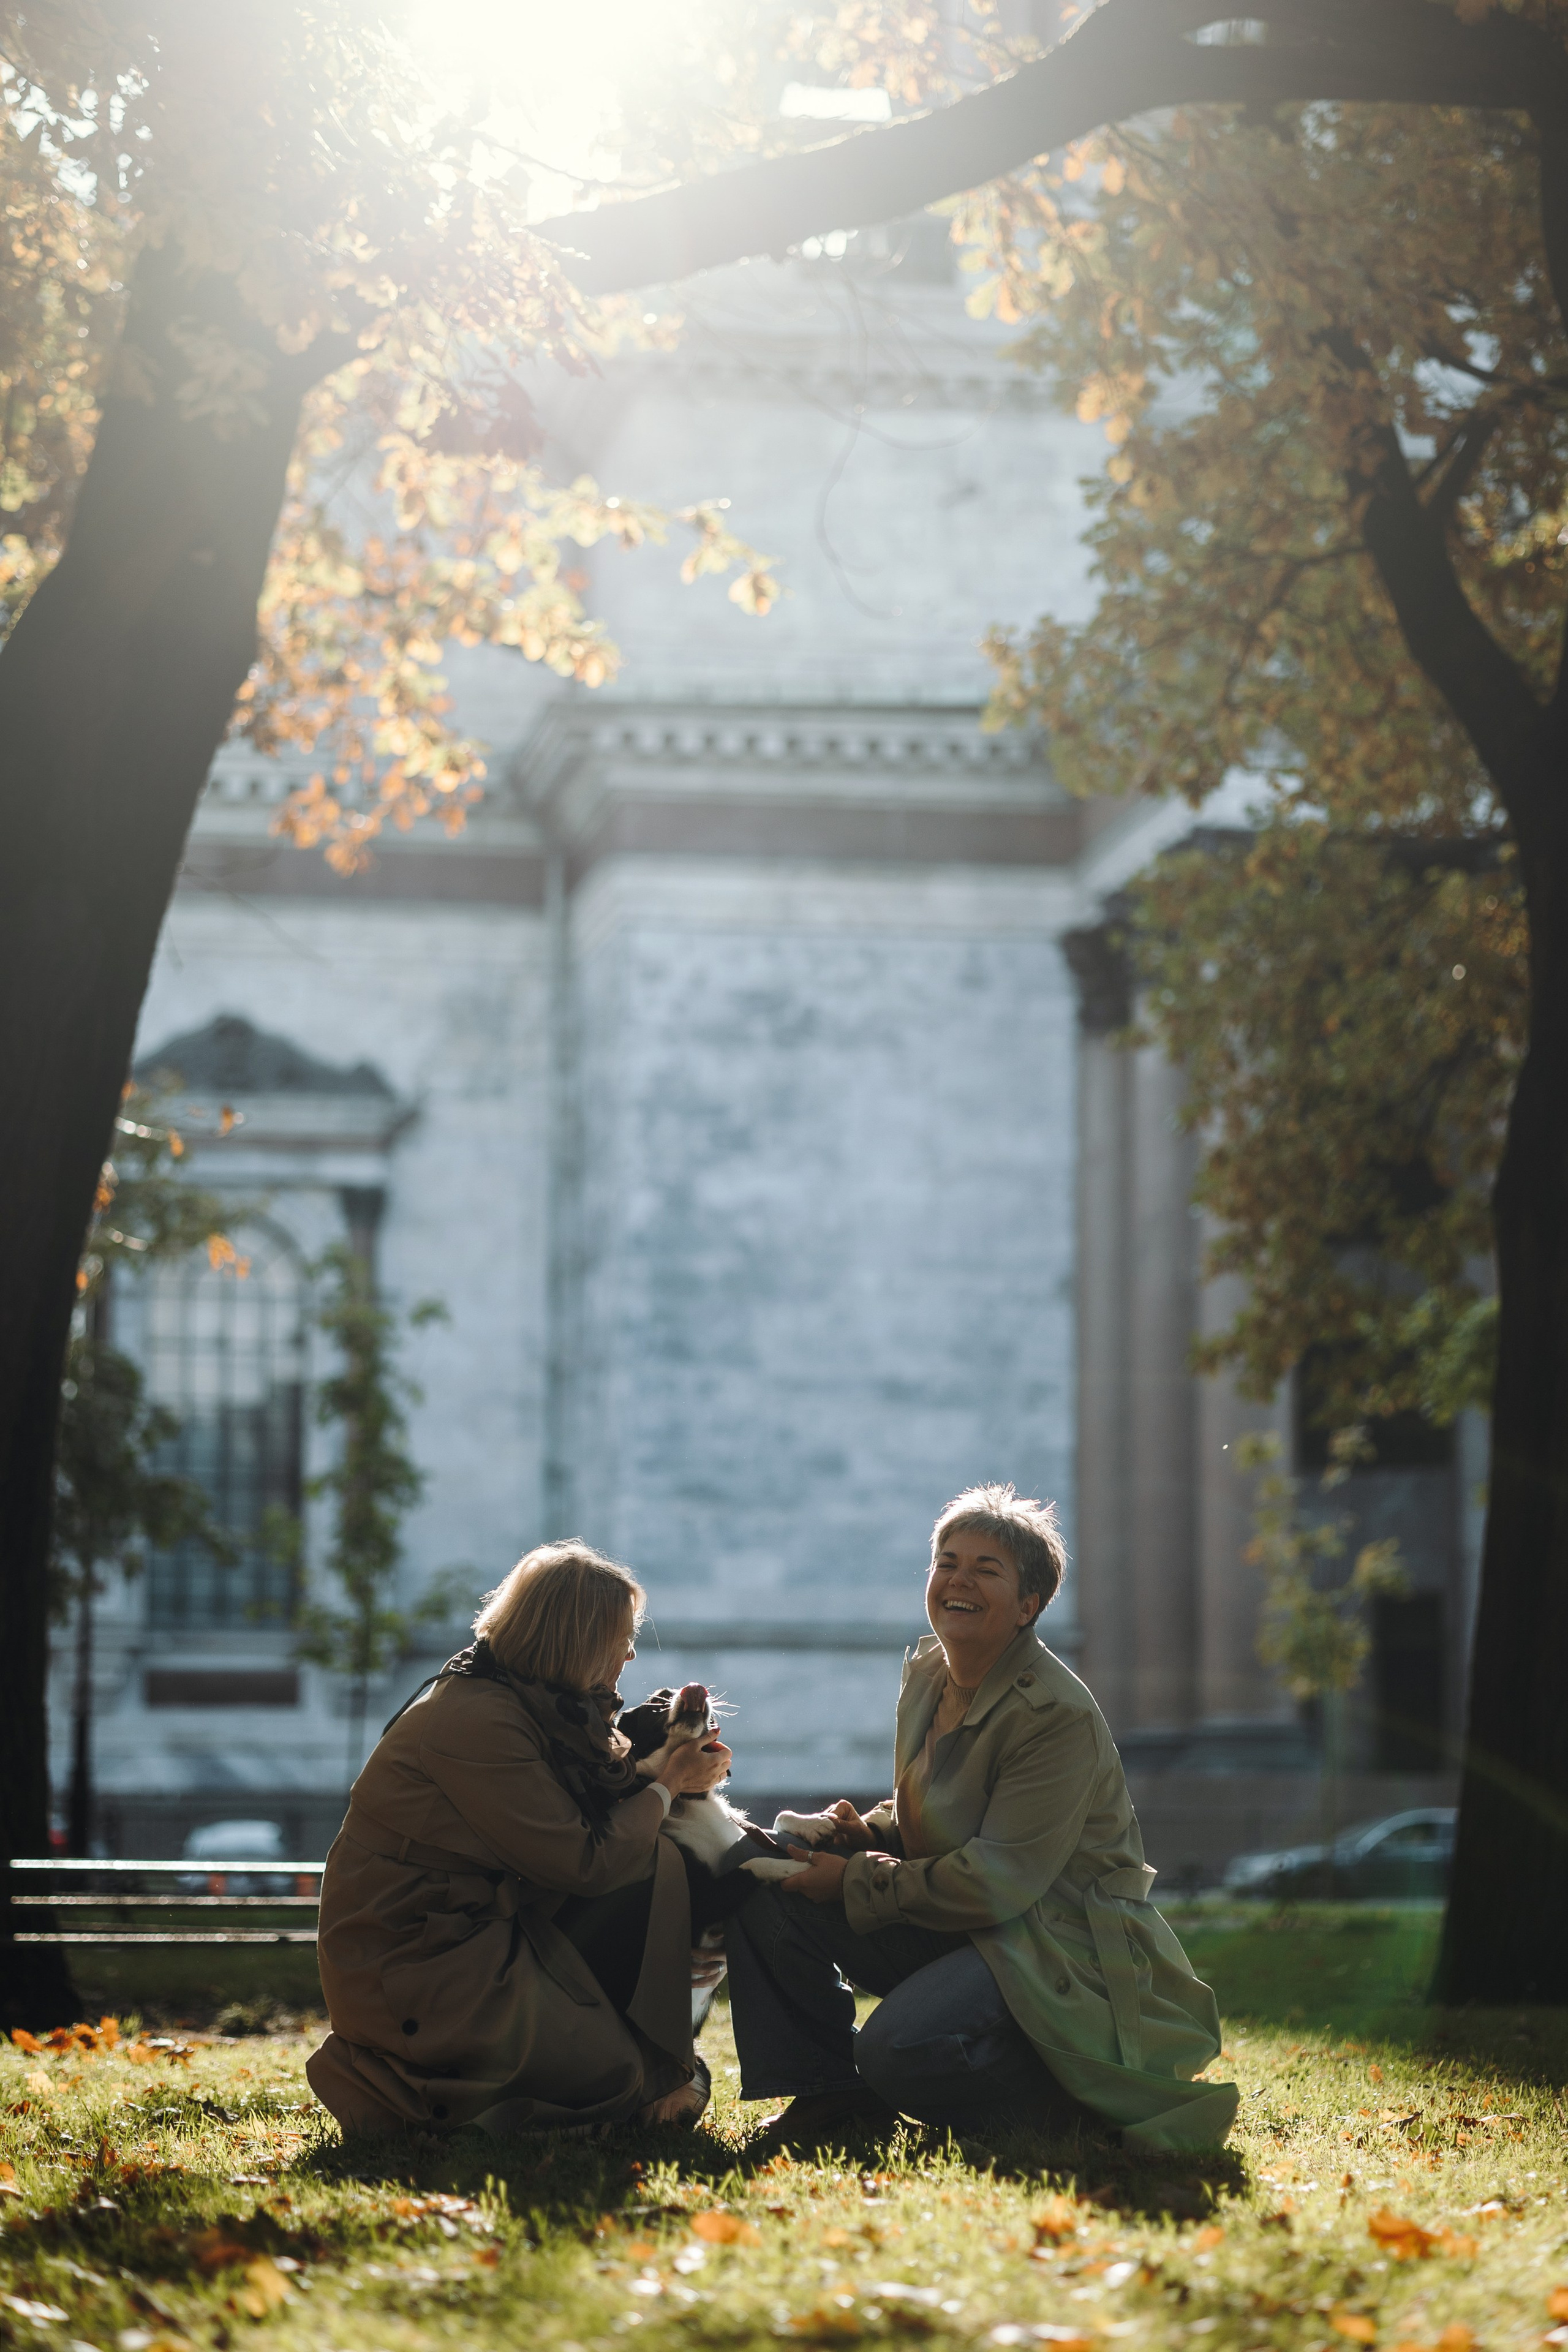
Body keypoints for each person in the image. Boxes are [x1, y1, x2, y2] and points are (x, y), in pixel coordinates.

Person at [725, 1484, 1238, 2154]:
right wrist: (869, 1835)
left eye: (984, 1569)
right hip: (969, 1924)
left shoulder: (1054, 1715)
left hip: (1049, 1942)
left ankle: (1067, 2095)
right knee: (764, 1879)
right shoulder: (933, 1673)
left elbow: (1000, 1879)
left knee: (897, 2051)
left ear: (1029, 1605)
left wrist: (853, 1880)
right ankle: (832, 2098)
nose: (956, 1580)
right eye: (946, 1561)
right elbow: (939, 1812)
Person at [306, 1540, 731, 2136]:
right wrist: (668, 1782)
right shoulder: (475, 1718)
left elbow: (603, 1792)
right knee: (623, 2081)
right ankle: (396, 2088)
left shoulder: (529, 1702)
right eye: (619, 1635)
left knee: (661, 1860)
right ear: (574, 1638)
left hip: (481, 1936)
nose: (631, 1653)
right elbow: (585, 1860)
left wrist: (679, 1766)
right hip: (419, 1965)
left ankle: (641, 2063)